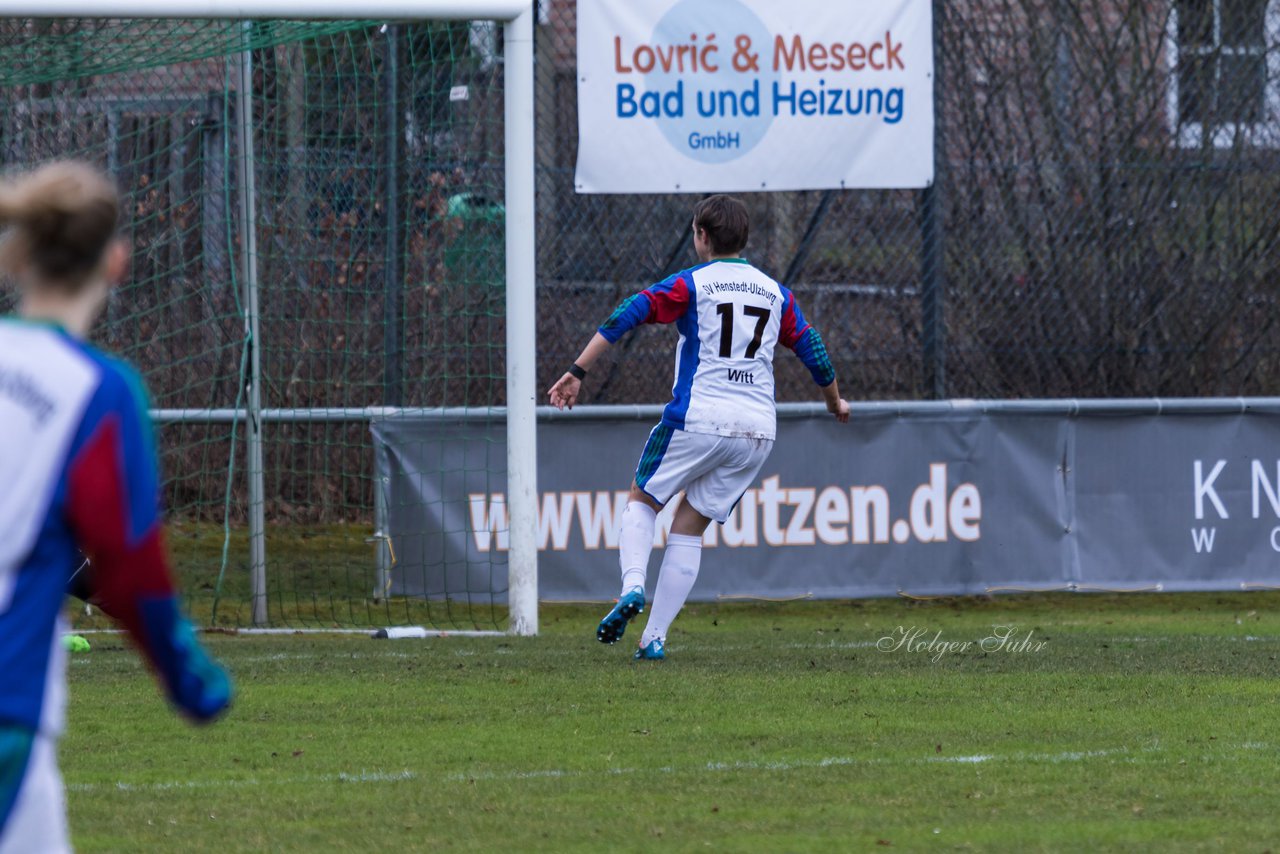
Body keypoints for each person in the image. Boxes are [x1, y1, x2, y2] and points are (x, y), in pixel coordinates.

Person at [0, 161, 232, 853]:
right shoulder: (99, 393)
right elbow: (130, 569)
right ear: (118, 262)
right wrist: (191, 681)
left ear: (24, 254)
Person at [547, 194, 849, 660]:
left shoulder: (694, 284)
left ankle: (631, 587)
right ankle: (654, 639)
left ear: (702, 237)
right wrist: (834, 402)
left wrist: (578, 371)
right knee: (689, 527)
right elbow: (814, 350)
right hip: (757, 431)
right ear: (744, 239)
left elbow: (630, 310)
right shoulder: (775, 293)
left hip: (700, 417)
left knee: (643, 500)